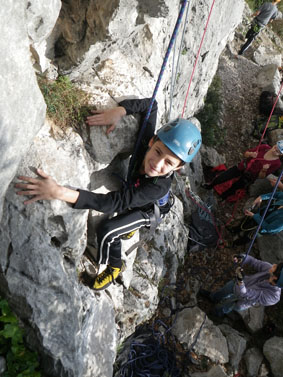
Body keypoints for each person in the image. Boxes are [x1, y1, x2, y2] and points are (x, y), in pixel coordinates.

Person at [15, 98, 202, 291]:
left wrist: (58, 192)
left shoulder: (157, 187)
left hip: (148, 211)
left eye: (169, 163)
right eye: (158, 152)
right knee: (123, 214)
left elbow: (110, 204)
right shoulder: (144, 142)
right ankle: (126, 230)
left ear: (178, 168)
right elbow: (152, 105)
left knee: (108, 230)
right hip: (135, 196)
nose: (157, 163)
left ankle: (113, 267)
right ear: (152, 141)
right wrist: (121, 110)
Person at [200, 254, 283, 317]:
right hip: (238, 284)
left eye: (276, 267)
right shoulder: (269, 269)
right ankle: (213, 297)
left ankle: (216, 312)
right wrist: (243, 257)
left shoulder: (273, 297)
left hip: (241, 300)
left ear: (275, 278)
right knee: (223, 291)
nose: (274, 265)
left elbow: (246, 294)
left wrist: (240, 281)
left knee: (227, 306)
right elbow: (254, 262)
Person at [203, 141, 283, 200]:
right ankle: (210, 186)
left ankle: (222, 197)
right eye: (275, 147)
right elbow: (245, 153)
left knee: (235, 187)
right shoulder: (264, 147)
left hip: (249, 177)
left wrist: (263, 170)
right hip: (242, 166)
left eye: (277, 151)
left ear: (280, 154)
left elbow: (261, 177)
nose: (274, 150)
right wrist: (250, 154)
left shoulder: (277, 163)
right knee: (223, 176)